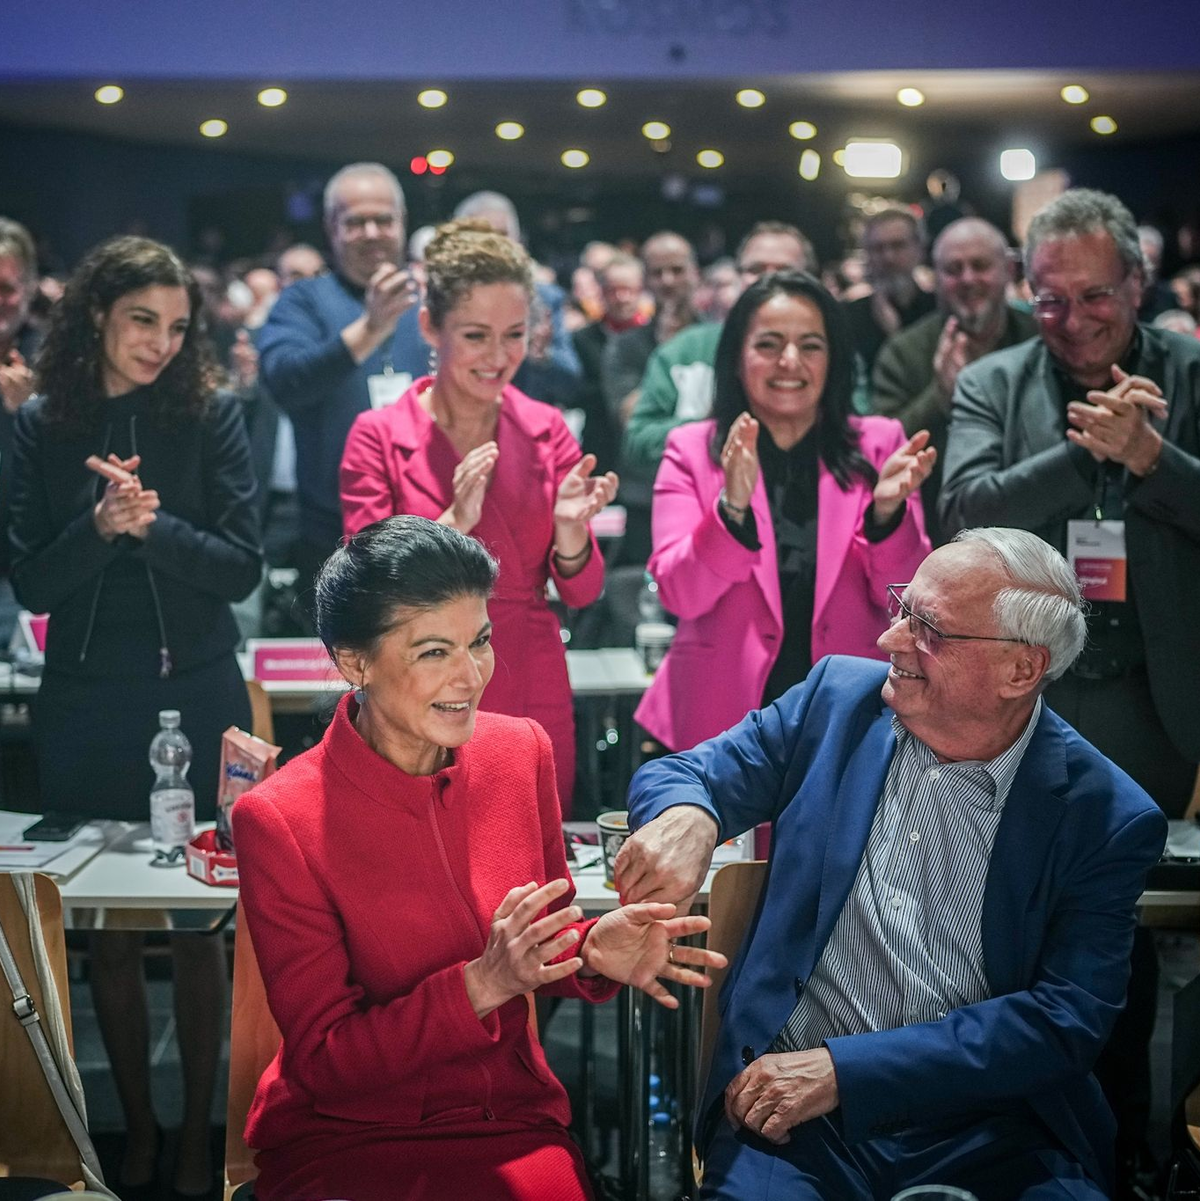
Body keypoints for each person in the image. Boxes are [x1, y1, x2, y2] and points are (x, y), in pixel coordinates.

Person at [616, 528, 1167, 1200]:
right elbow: (686, 772)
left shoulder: (1105, 814)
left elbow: (1062, 1021)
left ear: (1021, 670)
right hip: (795, 1128)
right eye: (902, 608)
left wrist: (845, 1071)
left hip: (997, 1130)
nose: (891, 641)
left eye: (929, 628)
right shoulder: (836, 702)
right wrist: (691, 816)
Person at [231, 516, 726, 1201]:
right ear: (354, 661)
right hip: (348, 1135)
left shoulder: (520, 751)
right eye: (435, 651)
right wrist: (482, 983)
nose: (471, 675)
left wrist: (591, 950)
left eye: (481, 641)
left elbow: (534, 944)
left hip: (509, 1122)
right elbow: (323, 1061)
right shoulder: (279, 817)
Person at [939, 187, 1200, 1189]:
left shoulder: (1190, 372)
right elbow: (960, 516)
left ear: (1136, 283)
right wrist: (1083, 449)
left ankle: (1129, 1152)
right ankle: (1019, 1153)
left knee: (1123, 947)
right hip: (1023, 703)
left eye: (1096, 297)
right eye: (1050, 300)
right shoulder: (995, 383)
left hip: (1155, 704)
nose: (1074, 320)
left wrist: (1154, 459)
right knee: (1011, 939)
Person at [9, 235, 262, 1196]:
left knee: (202, 922)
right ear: (96, 319)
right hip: (82, 699)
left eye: (175, 326)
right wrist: (97, 527)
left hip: (194, 689)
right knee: (104, 933)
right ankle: (141, 1130)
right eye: (139, 321)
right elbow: (31, 574)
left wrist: (152, 528)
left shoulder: (211, 415)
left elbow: (243, 564)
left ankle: (202, 1132)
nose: (159, 343)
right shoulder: (41, 422)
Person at [339, 220, 618, 812]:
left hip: (529, 674)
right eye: (475, 335)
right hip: (416, 683)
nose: (498, 357)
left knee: (533, 860)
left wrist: (571, 532)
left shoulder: (546, 430)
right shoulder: (378, 435)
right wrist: (448, 528)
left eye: (514, 335)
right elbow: (360, 586)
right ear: (428, 328)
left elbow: (585, 588)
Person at [634, 271, 932, 753]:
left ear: (833, 360)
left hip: (850, 714)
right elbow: (678, 595)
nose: (789, 361)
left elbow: (910, 603)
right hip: (719, 716)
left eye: (810, 345)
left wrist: (888, 516)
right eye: (769, 344)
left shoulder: (880, 445)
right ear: (736, 359)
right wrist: (731, 510)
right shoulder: (692, 449)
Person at [258, 162, 429, 598]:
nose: (372, 232)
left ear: (402, 224)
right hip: (332, 534)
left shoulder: (434, 301)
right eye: (355, 222)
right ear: (330, 228)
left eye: (383, 219)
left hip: (433, 527)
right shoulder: (303, 301)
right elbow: (284, 382)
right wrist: (369, 330)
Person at [619, 222, 813, 564]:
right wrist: (717, 425)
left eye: (784, 270)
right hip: (704, 531)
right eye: (755, 269)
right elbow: (637, 442)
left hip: (807, 528)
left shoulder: (830, 353)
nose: (769, 279)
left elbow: (850, 438)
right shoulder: (684, 350)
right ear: (739, 276)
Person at [872, 217, 1037, 545]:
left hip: (1032, 532)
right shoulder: (904, 352)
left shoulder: (1039, 339)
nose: (968, 279)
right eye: (953, 269)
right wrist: (940, 397)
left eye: (980, 265)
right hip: (938, 537)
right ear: (936, 278)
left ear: (1007, 270)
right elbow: (880, 452)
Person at [0, 217, 42, 642]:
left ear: (29, 289)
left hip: (24, 572)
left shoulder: (55, 358)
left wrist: (26, 413)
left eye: (6, 289)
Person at [572, 250, 646, 472]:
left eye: (628, 290)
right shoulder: (581, 340)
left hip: (642, 456)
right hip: (600, 452)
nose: (622, 298)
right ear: (601, 293)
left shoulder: (657, 340)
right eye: (613, 290)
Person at [842, 208, 937, 374]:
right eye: (878, 248)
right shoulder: (847, 317)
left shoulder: (938, 311)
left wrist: (894, 333)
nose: (888, 257)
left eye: (898, 246)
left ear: (919, 249)